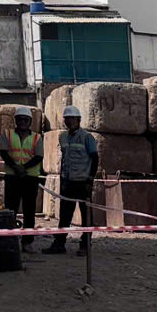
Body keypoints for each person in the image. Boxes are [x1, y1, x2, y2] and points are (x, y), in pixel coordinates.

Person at [46, 102, 101, 254]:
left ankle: (85, 245)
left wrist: (90, 179)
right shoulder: (63, 137)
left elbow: (95, 159)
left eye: (72, 118)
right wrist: (62, 179)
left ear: (78, 119)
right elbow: (64, 159)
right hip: (68, 182)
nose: (69, 121)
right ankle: (59, 243)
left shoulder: (87, 137)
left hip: (83, 182)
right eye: (67, 119)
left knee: (86, 216)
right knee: (64, 215)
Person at [0, 108, 44, 245]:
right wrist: (16, 168)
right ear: (15, 120)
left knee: (29, 211)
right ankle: (10, 240)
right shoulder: (7, 135)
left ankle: (27, 241)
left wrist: (24, 168)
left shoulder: (37, 137)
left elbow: (39, 156)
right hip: (13, 177)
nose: (22, 122)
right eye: (20, 119)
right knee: (11, 209)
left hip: (30, 178)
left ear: (30, 121)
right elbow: (4, 153)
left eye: (25, 119)